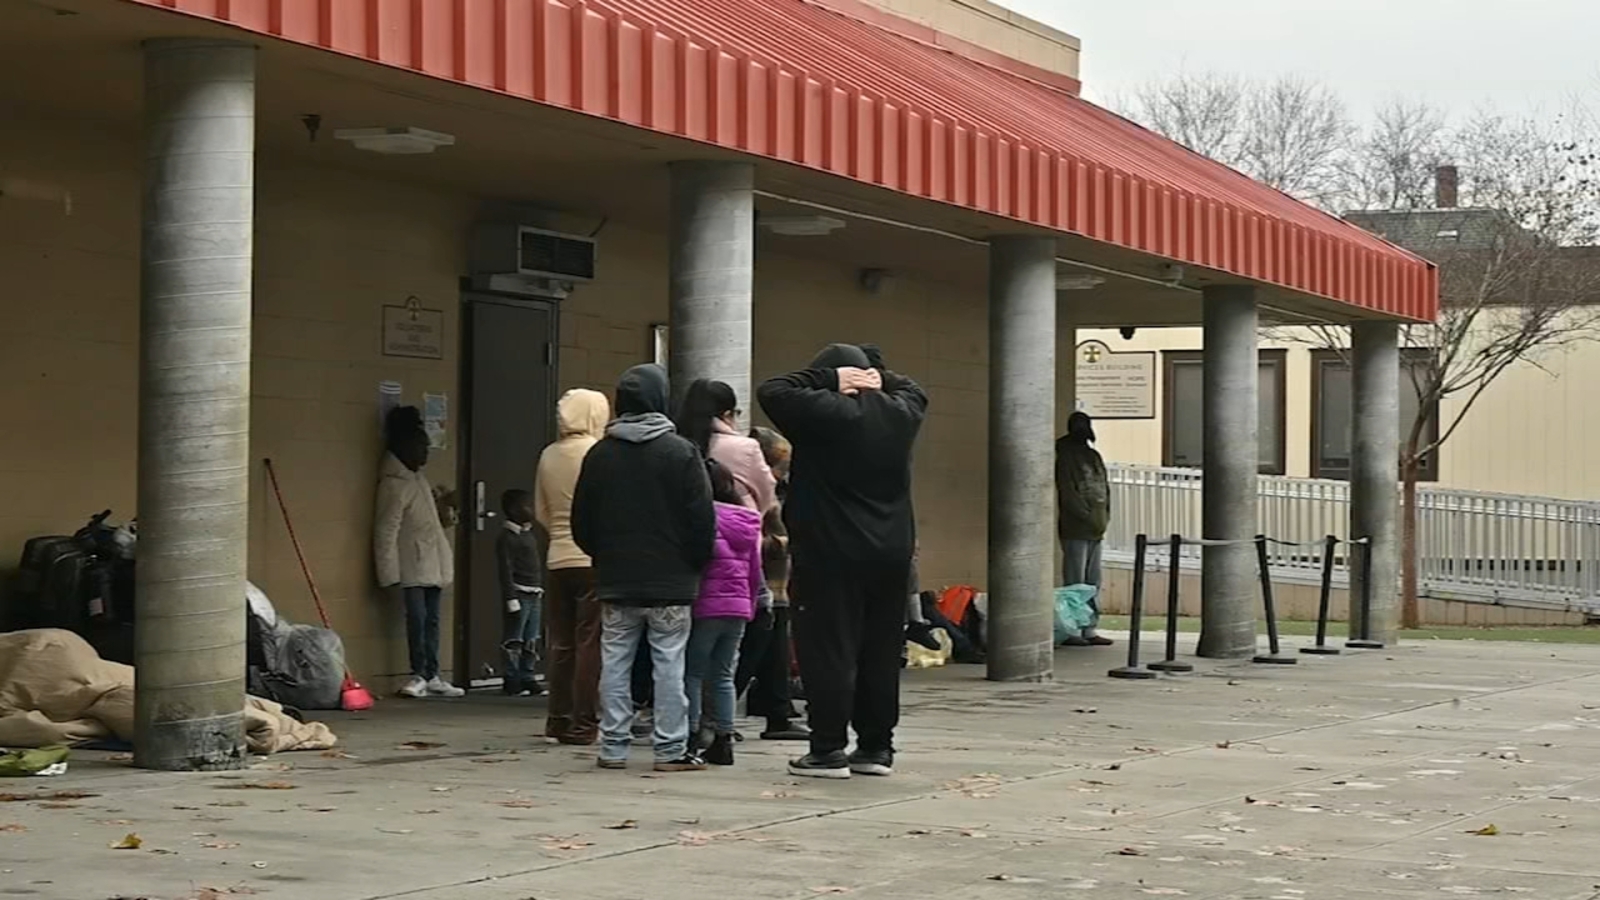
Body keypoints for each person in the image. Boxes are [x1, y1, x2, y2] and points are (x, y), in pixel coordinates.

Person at [757, 343, 928, 779]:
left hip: (828, 550)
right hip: (891, 551)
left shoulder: (821, 414)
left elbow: (773, 390)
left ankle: (827, 747)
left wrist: (832, 380)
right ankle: (876, 746)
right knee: (881, 650)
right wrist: (878, 377)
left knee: (827, 648)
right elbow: (915, 389)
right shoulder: (901, 413)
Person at [572, 364, 716, 772]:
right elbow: (701, 519)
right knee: (669, 663)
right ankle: (670, 749)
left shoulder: (600, 454)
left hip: (617, 578)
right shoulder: (681, 451)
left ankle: (613, 746)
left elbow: (582, 520)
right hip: (672, 579)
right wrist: (695, 564)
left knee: (615, 660)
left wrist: (603, 556)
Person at [534, 388, 610, 744]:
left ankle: (557, 719)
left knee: (561, 643)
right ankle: (584, 723)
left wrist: (559, 535)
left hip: (557, 556)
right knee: (590, 642)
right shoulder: (598, 452)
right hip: (591, 558)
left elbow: (541, 511)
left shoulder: (548, 455)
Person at [374, 408, 464, 699]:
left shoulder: (418, 480)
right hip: (411, 564)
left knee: (433, 620)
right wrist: (388, 574)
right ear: (404, 448)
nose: (426, 453)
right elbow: (386, 530)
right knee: (417, 619)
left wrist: (448, 507)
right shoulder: (394, 484)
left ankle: (433, 673)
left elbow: (435, 522)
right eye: (421, 447)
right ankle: (418, 672)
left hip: (432, 561)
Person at [684, 462, 765, 766]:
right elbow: (755, 571)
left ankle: (691, 737)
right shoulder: (747, 520)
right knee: (723, 676)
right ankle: (724, 739)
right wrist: (751, 603)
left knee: (691, 674)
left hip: (706, 606)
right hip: (739, 607)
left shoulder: (701, 519)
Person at [733, 426, 809, 741]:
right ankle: (721, 715)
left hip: (775, 584)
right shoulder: (757, 491)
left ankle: (777, 712)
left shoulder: (778, 489)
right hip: (758, 581)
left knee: (772, 650)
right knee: (752, 649)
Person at [677, 378, 778, 514]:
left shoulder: (674, 443)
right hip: (737, 527)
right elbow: (766, 489)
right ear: (727, 414)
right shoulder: (746, 447)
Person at [1057, 410, 1113, 647]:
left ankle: (1089, 627)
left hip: (1096, 527)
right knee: (1075, 580)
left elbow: (1104, 489)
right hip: (1076, 527)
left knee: (1092, 581)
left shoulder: (1093, 456)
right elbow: (1068, 493)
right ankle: (1073, 630)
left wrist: (1103, 517)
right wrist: (1087, 516)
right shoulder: (1065, 456)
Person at [496, 489, 546, 697]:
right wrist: (510, 597)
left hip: (534, 592)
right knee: (514, 638)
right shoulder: (507, 537)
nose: (531, 510)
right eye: (527, 506)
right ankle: (511, 676)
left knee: (531, 636)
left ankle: (528, 675)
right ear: (513, 510)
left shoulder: (529, 534)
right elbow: (505, 569)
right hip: (518, 592)